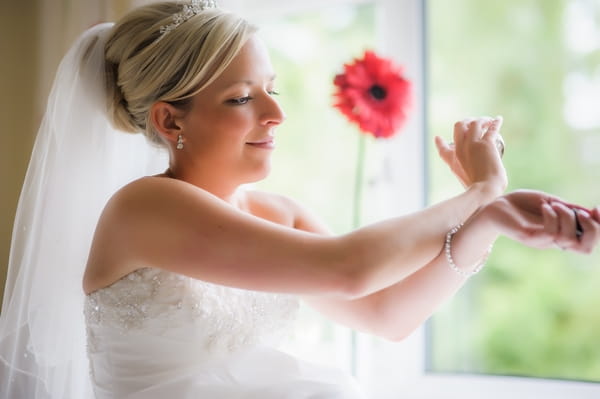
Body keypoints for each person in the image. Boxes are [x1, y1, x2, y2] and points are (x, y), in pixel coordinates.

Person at [1, 1, 599, 398]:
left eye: (273, 90)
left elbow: (384, 314)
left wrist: (488, 219)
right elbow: (349, 268)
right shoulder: (144, 209)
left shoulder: (275, 212)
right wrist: (481, 190)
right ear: (170, 119)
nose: (277, 114)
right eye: (242, 98)